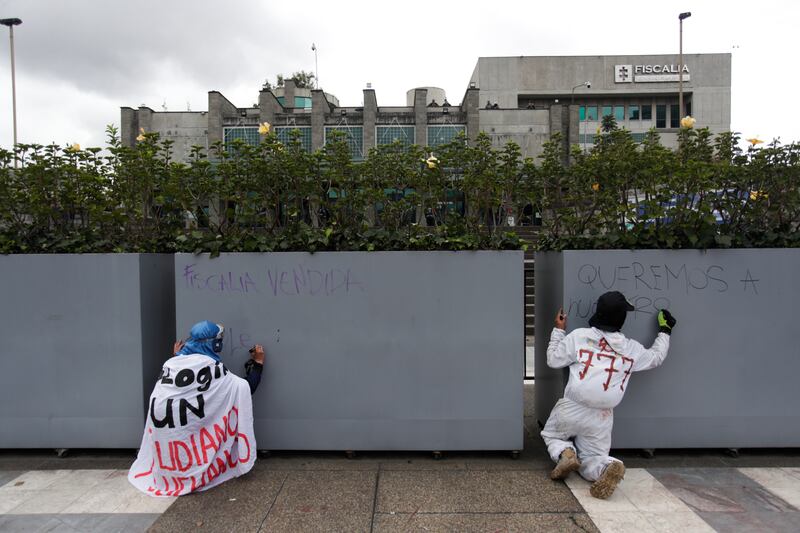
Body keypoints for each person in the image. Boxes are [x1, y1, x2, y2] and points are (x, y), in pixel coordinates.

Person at [541, 291, 676, 499]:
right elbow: (656, 357)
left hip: (572, 407)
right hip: (602, 415)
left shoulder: (579, 337)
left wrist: (559, 330)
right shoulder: (631, 349)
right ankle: (606, 467)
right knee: (594, 456)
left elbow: (553, 360)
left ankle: (565, 453)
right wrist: (665, 331)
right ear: (621, 319)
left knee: (552, 435)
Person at [128, 321, 265, 496]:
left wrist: (177, 355)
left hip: (166, 447)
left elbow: (182, 386)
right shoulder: (214, 369)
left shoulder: (171, 363)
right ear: (215, 344)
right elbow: (245, 388)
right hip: (185, 447)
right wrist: (258, 363)